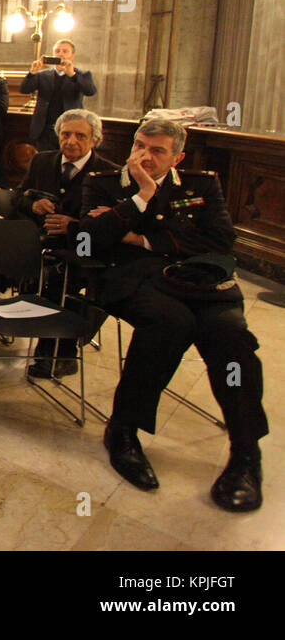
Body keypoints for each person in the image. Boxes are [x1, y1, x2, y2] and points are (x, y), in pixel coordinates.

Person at [79, 118, 267, 512]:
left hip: (201, 282)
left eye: (157, 150)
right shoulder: (105, 182)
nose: (144, 156)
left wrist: (139, 237)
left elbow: (221, 240)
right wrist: (140, 198)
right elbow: (88, 240)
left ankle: (245, 452)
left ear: (177, 156)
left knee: (231, 338)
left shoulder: (202, 185)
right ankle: (124, 430)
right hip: (136, 281)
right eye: (140, 146)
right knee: (168, 324)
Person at [14, 108, 119, 376]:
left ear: (95, 139)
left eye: (80, 135)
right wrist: (33, 203)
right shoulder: (42, 162)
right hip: (39, 241)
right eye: (66, 134)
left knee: (63, 277)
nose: (71, 141)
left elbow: (114, 223)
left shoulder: (109, 173)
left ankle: (60, 353)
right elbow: (18, 197)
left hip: (82, 245)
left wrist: (73, 226)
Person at [20, 39, 97, 150]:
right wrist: (32, 72)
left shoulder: (82, 74)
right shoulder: (43, 74)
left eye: (65, 51)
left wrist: (72, 75)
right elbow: (24, 89)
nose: (60, 53)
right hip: (45, 129)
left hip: (70, 128)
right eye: (57, 51)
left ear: (72, 55)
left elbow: (90, 91)